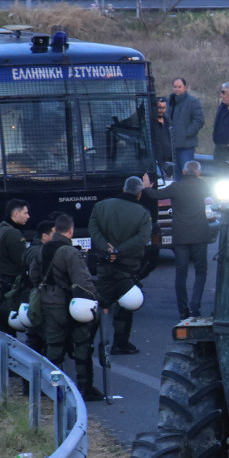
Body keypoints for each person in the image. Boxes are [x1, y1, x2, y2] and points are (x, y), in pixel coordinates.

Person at [36, 213, 104, 402]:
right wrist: (97, 298)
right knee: (82, 344)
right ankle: (84, 387)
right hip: (70, 304)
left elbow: (34, 275)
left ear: (56, 229)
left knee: (54, 346)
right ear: (71, 230)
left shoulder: (42, 250)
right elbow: (83, 281)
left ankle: (53, 388)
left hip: (48, 303)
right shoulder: (70, 252)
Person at [88, 176, 152, 354]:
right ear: (139, 194)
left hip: (104, 265)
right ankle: (120, 343)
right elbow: (142, 238)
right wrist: (119, 251)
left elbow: (93, 229)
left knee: (98, 304)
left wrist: (106, 249)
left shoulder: (101, 206)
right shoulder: (142, 213)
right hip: (127, 267)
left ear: (124, 188)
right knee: (125, 307)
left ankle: (87, 342)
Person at [158, 160, 214, 319]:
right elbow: (217, 198)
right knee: (201, 272)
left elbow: (156, 194)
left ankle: (183, 310)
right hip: (200, 235)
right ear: (199, 173)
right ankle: (195, 307)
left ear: (183, 172)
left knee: (181, 273)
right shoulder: (203, 186)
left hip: (181, 236)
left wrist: (146, 187)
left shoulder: (176, 187)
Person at [0, 198, 30, 338]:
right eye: (25, 213)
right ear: (16, 214)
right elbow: (23, 261)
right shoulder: (13, 234)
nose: (28, 216)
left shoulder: (0, 228)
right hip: (9, 285)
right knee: (7, 323)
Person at [22, 219, 56, 358]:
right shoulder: (39, 252)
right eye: (54, 233)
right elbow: (35, 277)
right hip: (37, 299)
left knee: (34, 336)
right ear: (45, 236)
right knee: (38, 337)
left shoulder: (32, 250)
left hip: (31, 297)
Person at [167, 77, 205, 168]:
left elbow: (199, 121)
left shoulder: (193, 102)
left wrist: (186, 133)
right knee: (174, 172)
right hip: (171, 146)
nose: (177, 89)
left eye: (179, 87)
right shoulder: (169, 102)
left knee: (187, 171)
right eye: (175, 87)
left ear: (185, 87)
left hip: (186, 146)